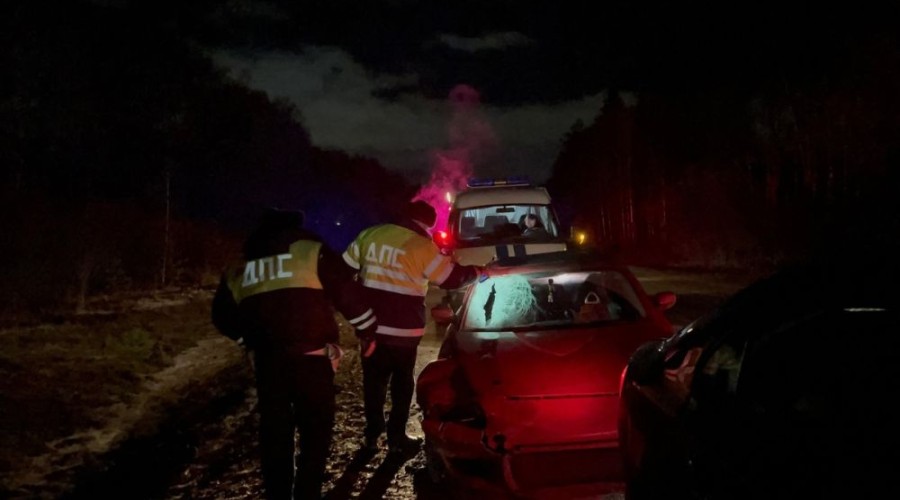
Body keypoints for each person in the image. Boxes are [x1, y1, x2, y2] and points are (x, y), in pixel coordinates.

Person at [211, 208, 378, 500]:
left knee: (275, 432)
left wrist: (246, 341)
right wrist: (367, 331)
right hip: (312, 360)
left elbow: (222, 316)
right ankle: (307, 493)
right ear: (296, 228)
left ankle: (278, 493)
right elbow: (346, 292)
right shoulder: (311, 252)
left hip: (268, 363)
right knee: (316, 431)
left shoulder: (241, 266)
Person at [342, 200, 482, 455]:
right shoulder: (421, 246)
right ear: (427, 224)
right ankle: (397, 438)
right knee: (401, 383)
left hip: (370, 327)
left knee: (373, 383)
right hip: (403, 332)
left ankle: (372, 437)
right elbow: (450, 279)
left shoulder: (370, 235)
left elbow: (343, 271)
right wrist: (476, 271)